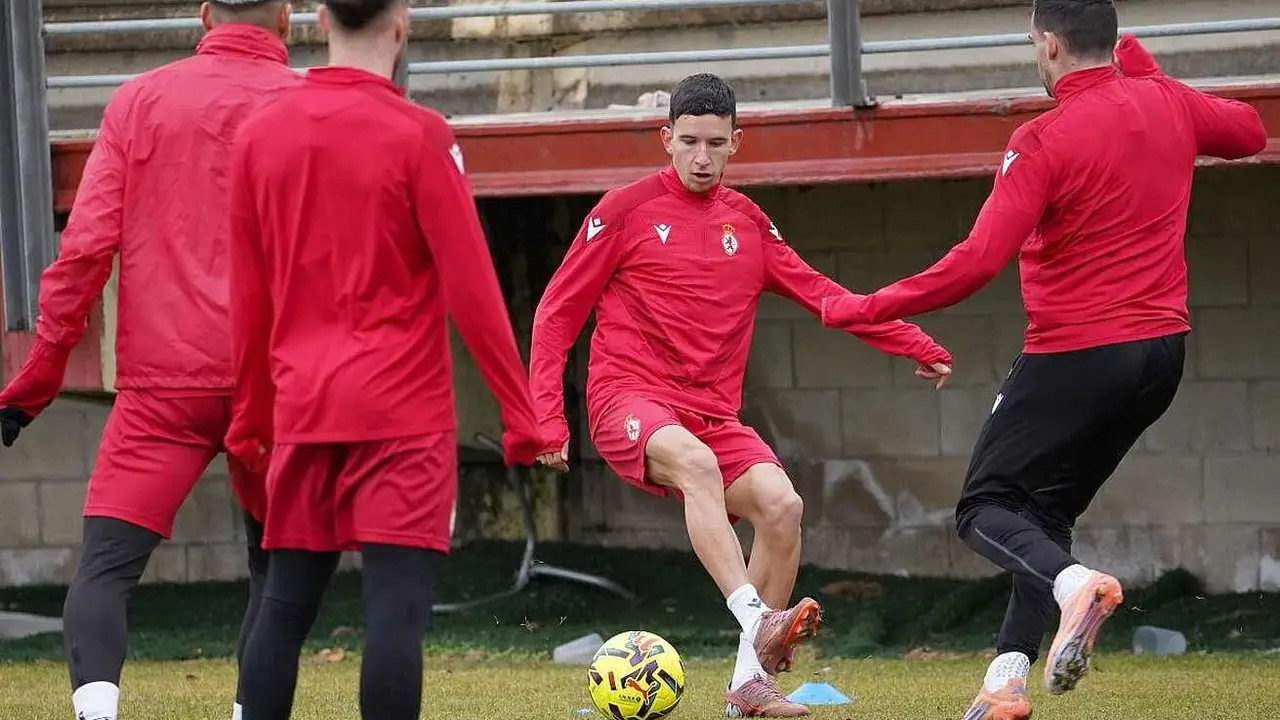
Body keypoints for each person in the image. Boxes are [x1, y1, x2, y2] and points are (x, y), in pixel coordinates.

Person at [819, 2, 1268, 718]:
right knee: (1043, 514)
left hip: (1078, 353)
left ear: (1050, 44)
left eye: (1033, 40)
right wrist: (1152, 76)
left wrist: (870, 306)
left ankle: (1075, 588)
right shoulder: (1166, 101)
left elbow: (977, 262)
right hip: (1162, 358)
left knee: (983, 509)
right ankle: (1006, 682)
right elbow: (1249, 132)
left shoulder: (1042, 137)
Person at [529, 72, 954, 717]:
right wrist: (547, 420)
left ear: (737, 142)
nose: (702, 158)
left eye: (715, 143)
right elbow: (556, 313)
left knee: (783, 507)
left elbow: (825, 296)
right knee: (697, 465)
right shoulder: (623, 210)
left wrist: (911, 341)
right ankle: (756, 618)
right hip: (627, 399)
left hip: (712, 415)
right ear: (666, 138)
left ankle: (749, 686)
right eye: (689, 142)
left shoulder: (748, 224)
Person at [223, 0, 546, 718]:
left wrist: (249, 421)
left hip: (304, 409)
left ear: (317, 20)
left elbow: (248, 298)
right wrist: (521, 416)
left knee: (283, 609)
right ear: (402, 22)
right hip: (402, 419)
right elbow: (474, 290)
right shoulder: (419, 135)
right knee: (395, 617)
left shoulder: (259, 135)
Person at [0, 3, 303, 719]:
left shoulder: (140, 100)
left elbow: (84, 250)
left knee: (106, 566)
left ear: (204, 15)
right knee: (276, 571)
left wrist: (38, 377)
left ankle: (97, 713)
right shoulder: (312, 107)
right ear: (287, 19)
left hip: (164, 385)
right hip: (278, 383)